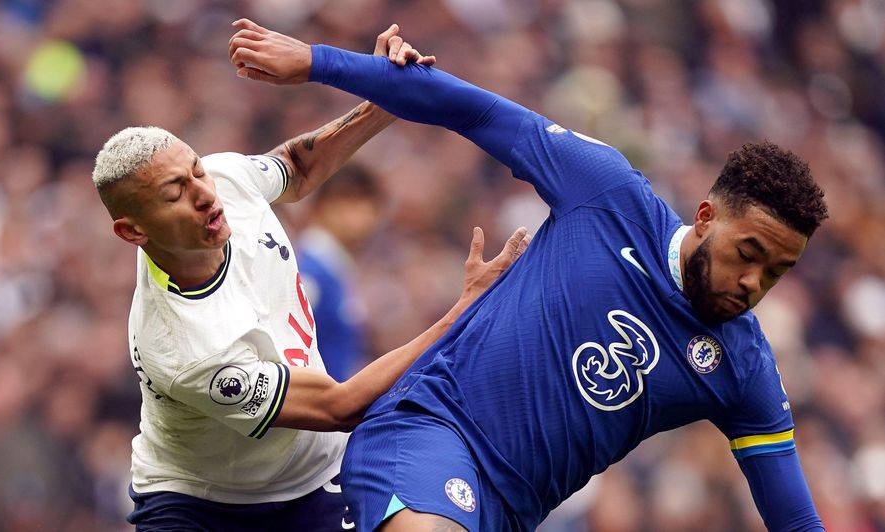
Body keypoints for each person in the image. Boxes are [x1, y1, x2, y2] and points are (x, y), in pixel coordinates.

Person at [228, 19, 829, 532]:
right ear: (705, 217)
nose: (754, 283)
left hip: (509, 513)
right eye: (748, 253)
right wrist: (315, 61)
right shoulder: (608, 193)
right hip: (428, 432)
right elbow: (468, 106)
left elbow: (795, 518)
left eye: (777, 271)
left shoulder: (743, 367)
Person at [91, 26, 530, 531]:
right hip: (202, 506)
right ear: (132, 231)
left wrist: (389, 91)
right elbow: (341, 405)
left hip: (312, 478)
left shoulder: (224, 180)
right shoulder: (187, 346)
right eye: (175, 194)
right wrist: (465, 307)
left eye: (196, 171)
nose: (205, 194)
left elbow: (297, 169)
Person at [297, 165, 383, 382]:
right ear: (323, 205)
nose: (364, 215)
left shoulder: (335, 272)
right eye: (351, 203)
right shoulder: (310, 275)